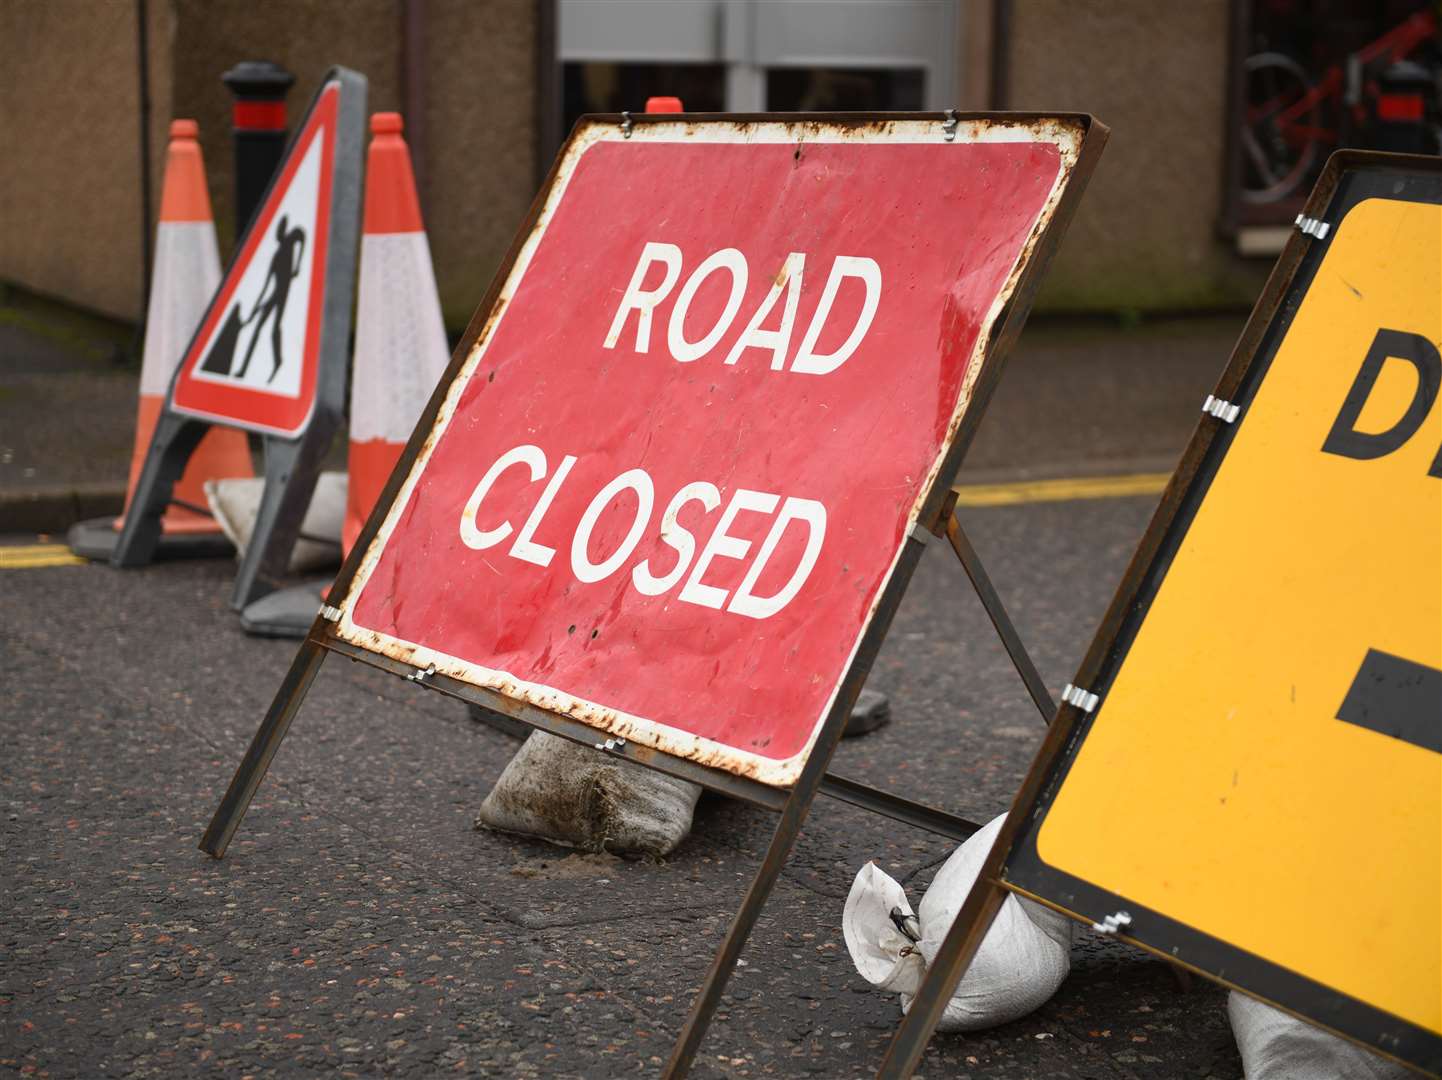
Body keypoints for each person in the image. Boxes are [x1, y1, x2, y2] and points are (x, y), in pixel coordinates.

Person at [235, 214, 306, 383]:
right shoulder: (275, 256)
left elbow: (302, 236)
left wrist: (298, 265)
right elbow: (266, 286)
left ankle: (277, 363)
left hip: (283, 293)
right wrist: (255, 308)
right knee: (261, 328)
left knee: (275, 327)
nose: (279, 234)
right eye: (278, 232)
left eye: (281, 230)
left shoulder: (290, 241)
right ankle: (245, 369)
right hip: (275, 293)